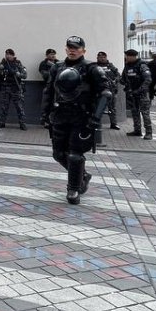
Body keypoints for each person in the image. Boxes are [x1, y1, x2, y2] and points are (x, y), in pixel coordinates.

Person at [41, 36, 112, 205]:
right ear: (66, 49)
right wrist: (44, 114)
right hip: (60, 115)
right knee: (58, 154)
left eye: (76, 48)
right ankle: (83, 175)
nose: (72, 50)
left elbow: (106, 93)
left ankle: (73, 189)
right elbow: (49, 91)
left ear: (83, 50)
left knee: (75, 154)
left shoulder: (91, 68)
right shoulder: (57, 68)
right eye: (70, 47)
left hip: (82, 117)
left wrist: (96, 117)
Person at [121, 49, 153, 139]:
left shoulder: (142, 65)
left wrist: (139, 90)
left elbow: (148, 80)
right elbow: (123, 79)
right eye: (126, 56)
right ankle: (137, 130)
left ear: (133, 56)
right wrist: (122, 82)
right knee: (135, 112)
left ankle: (149, 133)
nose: (126, 58)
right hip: (132, 93)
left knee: (145, 113)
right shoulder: (127, 66)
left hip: (142, 94)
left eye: (127, 56)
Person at [0, 48, 28, 131]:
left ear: (13, 55)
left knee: (19, 107)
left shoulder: (18, 63)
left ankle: (22, 123)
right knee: (4, 107)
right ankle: (1, 122)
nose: (8, 56)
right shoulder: (3, 63)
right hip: (5, 87)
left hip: (15, 88)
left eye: (9, 54)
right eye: (6, 54)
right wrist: (0, 69)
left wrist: (16, 73)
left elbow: (25, 75)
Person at [94, 51, 121, 131]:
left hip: (111, 90)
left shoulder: (110, 66)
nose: (102, 59)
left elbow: (118, 75)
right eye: (100, 57)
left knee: (112, 108)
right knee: (98, 107)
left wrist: (115, 80)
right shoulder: (95, 66)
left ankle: (114, 123)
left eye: (104, 57)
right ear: (97, 58)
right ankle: (97, 124)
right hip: (100, 91)